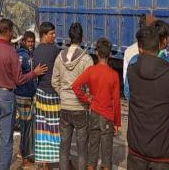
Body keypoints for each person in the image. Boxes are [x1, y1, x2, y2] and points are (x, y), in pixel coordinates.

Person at [0, 19, 47, 170]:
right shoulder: (11, 52)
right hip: (7, 96)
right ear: (9, 32)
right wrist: (34, 73)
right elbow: (19, 79)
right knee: (6, 139)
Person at [126, 26, 169, 170]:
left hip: (137, 144)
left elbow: (129, 95)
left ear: (140, 48)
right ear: (160, 46)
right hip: (162, 147)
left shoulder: (132, 71)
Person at [72, 38, 120, 170]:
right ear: (110, 54)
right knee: (106, 156)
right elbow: (116, 101)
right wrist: (117, 123)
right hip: (108, 117)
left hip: (93, 113)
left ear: (97, 53)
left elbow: (75, 86)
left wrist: (87, 99)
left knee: (92, 152)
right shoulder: (114, 75)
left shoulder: (91, 71)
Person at [51, 22, 94, 170]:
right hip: (80, 108)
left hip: (64, 107)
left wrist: (63, 94)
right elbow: (91, 87)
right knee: (82, 151)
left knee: (64, 148)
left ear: (69, 38)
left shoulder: (59, 57)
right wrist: (87, 99)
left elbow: (54, 81)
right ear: (82, 38)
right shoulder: (87, 59)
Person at [123, 19, 169, 101]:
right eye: (166, 38)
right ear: (163, 41)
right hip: (161, 112)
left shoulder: (134, 60)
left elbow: (127, 91)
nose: (168, 41)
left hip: (138, 112)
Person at [33, 22, 61, 169]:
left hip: (40, 93)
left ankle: (45, 164)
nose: (54, 36)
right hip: (53, 95)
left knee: (42, 128)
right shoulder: (55, 50)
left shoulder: (36, 51)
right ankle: (61, 159)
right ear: (44, 35)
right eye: (52, 34)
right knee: (56, 129)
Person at [15, 31, 37, 168]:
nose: (31, 44)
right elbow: (18, 76)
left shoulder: (31, 55)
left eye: (32, 41)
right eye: (28, 41)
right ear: (24, 41)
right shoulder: (21, 56)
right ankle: (24, 157)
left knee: (28, 126)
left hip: (30, 95)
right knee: (25, 126)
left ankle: (21, 152)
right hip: (22, 95)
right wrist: (34, 73)